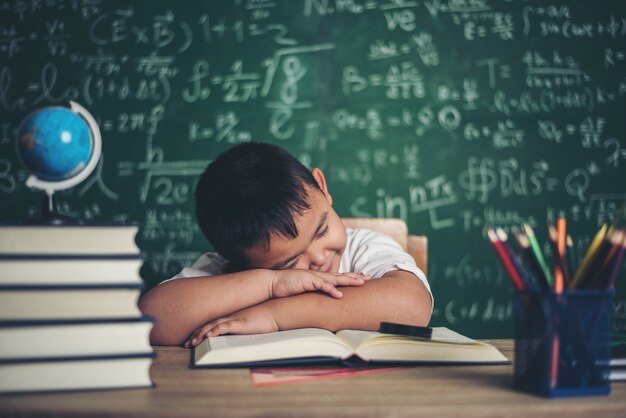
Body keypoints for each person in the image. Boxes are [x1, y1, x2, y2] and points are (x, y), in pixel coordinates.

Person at [139, 142, 433, 347]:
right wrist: (271, 284)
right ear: (235, 262)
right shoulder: (229, 273)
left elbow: (412, 304)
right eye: (290, 263)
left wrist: (273, 315)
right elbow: (150, 320)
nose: (318, 258)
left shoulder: (363, 250)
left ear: (322, 187)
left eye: (321, 230)